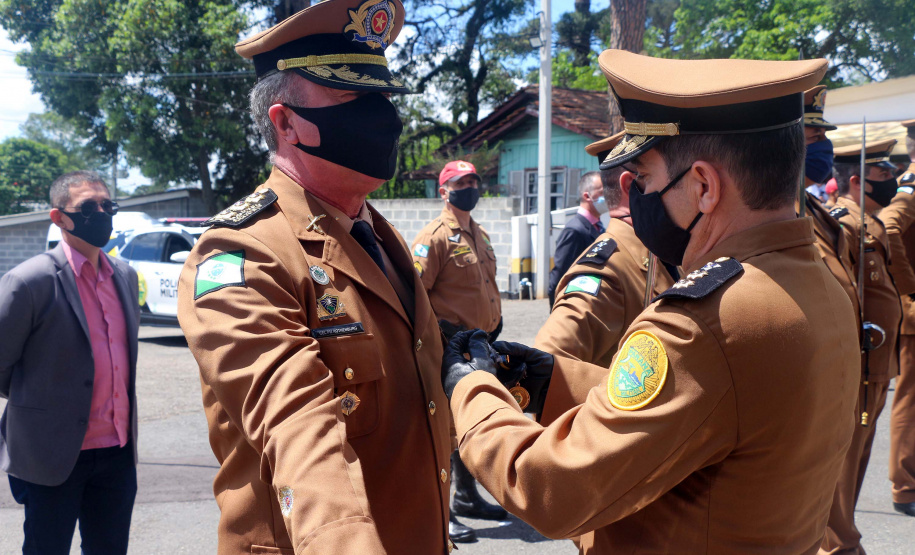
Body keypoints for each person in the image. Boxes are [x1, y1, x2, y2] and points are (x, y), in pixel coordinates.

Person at [442, 50, 860, 554]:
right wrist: (548, 378)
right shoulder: (819, 282)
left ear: (703, 186)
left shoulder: (706, 321)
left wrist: (472, 391)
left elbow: (550, 488)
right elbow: (711, 402)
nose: (638, 196)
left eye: (644, 179)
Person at [176, 1, 452, 553]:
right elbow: (296, 423)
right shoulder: (242, 252)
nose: (385, 119)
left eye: (384, 100)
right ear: (286, 123)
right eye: (356, 100)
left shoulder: (377, 234)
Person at [0, 171, 140, 554]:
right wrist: (46, 402)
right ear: (58, 217)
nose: (101, 213)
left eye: (107, 205)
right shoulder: (29, 281)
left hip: (116, 453)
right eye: (88, 207)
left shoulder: (125, 277)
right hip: (52, 455)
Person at [533, 131, 674, 426]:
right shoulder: (605, 270)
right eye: (671, 174)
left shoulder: (661, 254)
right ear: (631, 185)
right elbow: (545, 365)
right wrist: (631, 398)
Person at [411, 160, 504, 542]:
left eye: (473, 181)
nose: (470, 187)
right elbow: (414, 296)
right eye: (460, 182)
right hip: (450, 350)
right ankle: (442, 515)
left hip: (481, 346)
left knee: (469, 423)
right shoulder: (434, 236)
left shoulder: (477, 233)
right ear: (443, 190)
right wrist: (440, 339)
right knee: (445, 431)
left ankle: (467, 497)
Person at [820, 138, 903, 554]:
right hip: (859, 361)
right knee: (845, 457)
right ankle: (837, 544)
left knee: (860, 455)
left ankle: (842, 532)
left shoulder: (869, 221)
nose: (892, 180)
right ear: (857, 181)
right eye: (883, 174)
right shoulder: (843, 222)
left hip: (876, 361)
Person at [882, 119, 915, 517]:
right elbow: (890, 226)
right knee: (910, 401)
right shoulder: (911, 186)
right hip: (911, 313)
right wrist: (909, 286)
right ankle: (904, 486)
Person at [548, 171, 607, 305]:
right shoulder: (575, 230)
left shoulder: (599, 226)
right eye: (603, 191)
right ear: (587, 196)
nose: (608, 196)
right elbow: (558, 277)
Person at [803, 85, 837, 202]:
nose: (825, 144)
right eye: (815, 136)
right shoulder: (769, 207)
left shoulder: (806, 199)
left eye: (823, 134)